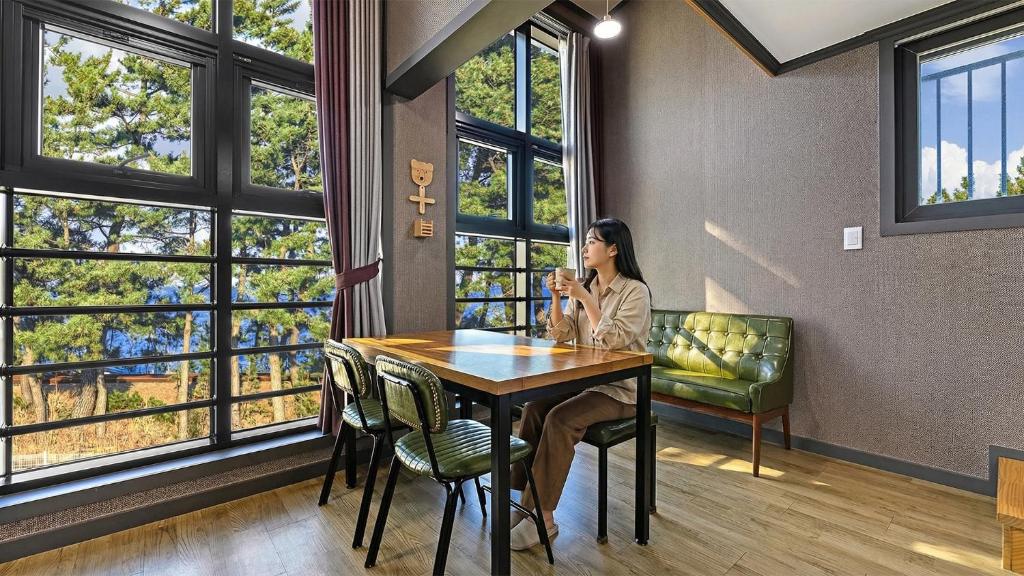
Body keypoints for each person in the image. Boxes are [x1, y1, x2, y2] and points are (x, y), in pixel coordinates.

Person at [509, 217, 652, 551]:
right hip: (588, 382)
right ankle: (522, 499)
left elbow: (614, 339)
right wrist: (558, 297)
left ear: (613, 249)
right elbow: (562, 335)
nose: (586, 247)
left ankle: (543, 519)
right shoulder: (586, 287)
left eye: (592, 241)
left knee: (560, 418)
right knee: (533, 408)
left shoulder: (635, 291)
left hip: (623, 390)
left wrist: (585, 297)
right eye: (586, 241)